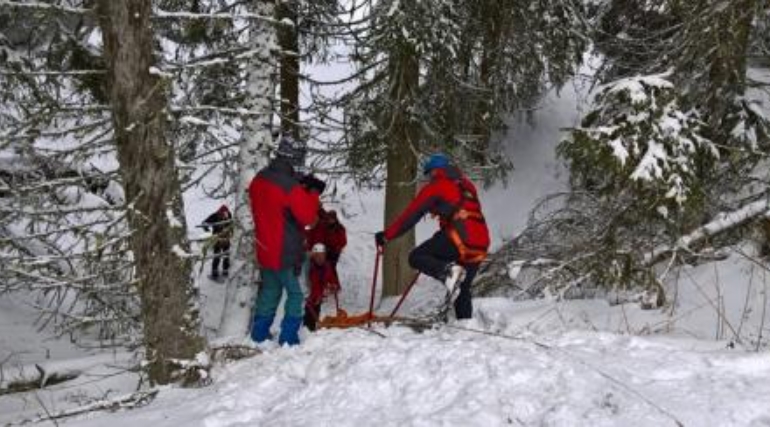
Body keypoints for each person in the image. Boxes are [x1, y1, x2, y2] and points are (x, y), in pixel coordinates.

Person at [375, 153, 490, 320]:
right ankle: (465, 326)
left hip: (459, 239)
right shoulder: (467, 186)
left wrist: (387, 236)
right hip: (480, 243)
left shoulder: (437, 186)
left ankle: (449, 271)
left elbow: (411, 214)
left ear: (434, 172)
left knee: (417, 256)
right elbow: (461, 213)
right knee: (463, 289)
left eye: (428, 175)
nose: (428, 179)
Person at [249, 136, 326, 346]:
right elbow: (310, 218)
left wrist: (299, 185)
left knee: (270, 291)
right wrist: (312, 193)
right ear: (295, 157)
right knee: (296, 294)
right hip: (287, 251)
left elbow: (275, 208)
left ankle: (258, 335)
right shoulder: (290, 187)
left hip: (265, 249)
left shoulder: (260, 178)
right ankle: (289, 339)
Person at [303, 243, 341, 331]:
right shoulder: (309, 267)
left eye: (322, 255)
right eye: (318, 256)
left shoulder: (327, 266)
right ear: (314, 256)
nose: (320, 258)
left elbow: (332, 278)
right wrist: (312, 295)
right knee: (308, 315)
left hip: (318, 297)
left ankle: (312, 329)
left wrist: (334, 285)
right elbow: (309, 282)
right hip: (309, 297)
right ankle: (307, 330)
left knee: (316, 312)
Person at [202, 204, 233, 279]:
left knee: (226, 255)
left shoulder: (229, 214)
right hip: (217, 239)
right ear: (220, 212)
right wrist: (207, 230)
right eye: (223, 214)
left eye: (226, 214)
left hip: (226, 239)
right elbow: (204, 223)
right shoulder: (215, 216)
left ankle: (225, 270)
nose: (225, 216)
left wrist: (231, 232)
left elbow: (231, 224)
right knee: (217, 255)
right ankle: (214, 272)